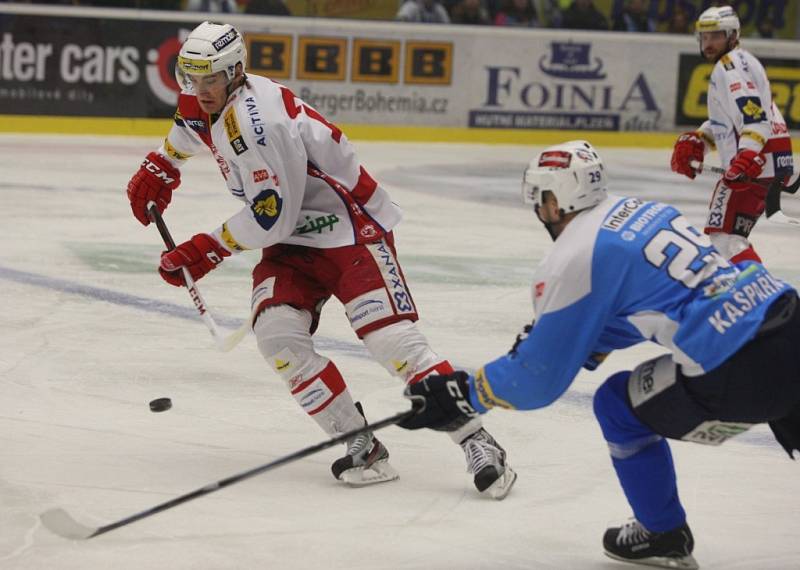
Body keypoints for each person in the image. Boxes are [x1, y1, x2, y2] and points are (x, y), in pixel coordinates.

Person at [124, 21, 516, 498]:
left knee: (392, 341)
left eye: (210, 79)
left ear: (236, 72)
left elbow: (273, 218)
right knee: (277, 337)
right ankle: (362, 446)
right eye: (191, 77)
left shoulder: (258, 123)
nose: (199, 89)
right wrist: (162, 163)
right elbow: (190, 125)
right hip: (294, 243)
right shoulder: (206, 98)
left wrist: (207, 248)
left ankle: (478, 440)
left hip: (350, 229)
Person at [400, 140, 800, 568]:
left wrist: (464, 395)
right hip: (788, 320)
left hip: (738, 368)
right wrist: (584, 343)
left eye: (541, 199)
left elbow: (538, 381)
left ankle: (661, 532)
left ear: (554, 201)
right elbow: (640, 311)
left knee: (615, 405)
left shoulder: (574, 255)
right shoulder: (646, 212)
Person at [670, 6, 794, 263]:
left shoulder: (729, 68)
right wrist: (700, 141)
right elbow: (732, 120)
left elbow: (754, 119)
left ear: (732, 35)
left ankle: (762, 296)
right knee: (730, 237)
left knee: (724, 240)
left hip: (756, 164)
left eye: (716, 36)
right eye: (705, 37)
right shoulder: (742, 60)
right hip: (769, 159)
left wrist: (746, 158)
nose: (709, 43)